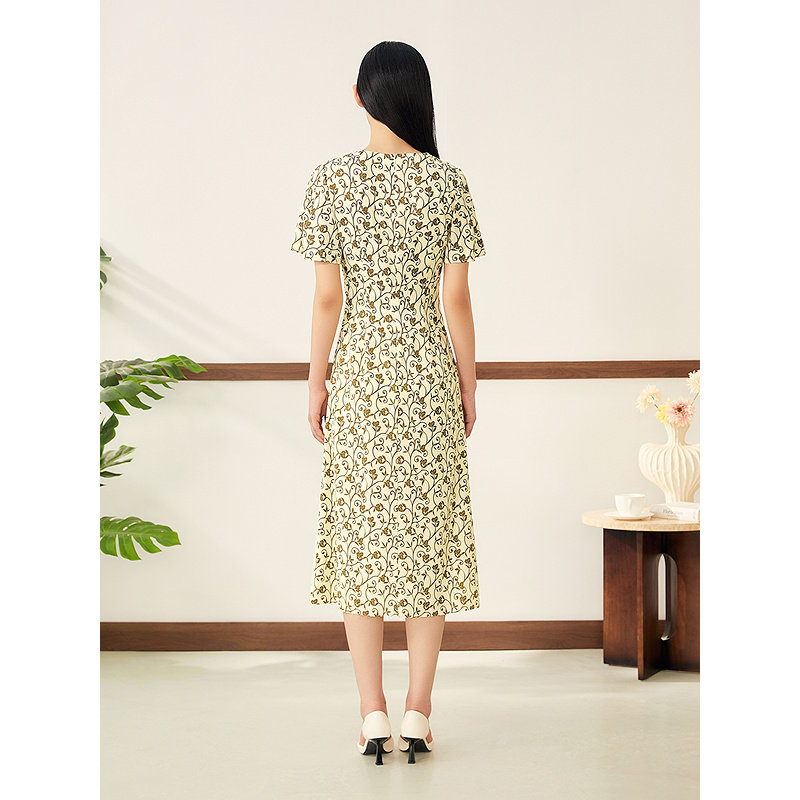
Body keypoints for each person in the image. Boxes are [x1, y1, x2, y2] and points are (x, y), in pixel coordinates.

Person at [290, 40, 486, 765]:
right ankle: (417, 712)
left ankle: (371, 711)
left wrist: (317, 381)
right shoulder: (447, 183)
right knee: (428, 544)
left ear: (359, 96)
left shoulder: (331, 180)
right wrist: (468, 381)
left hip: (362, 383)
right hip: (428, 378)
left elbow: (327, 298)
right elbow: (456, 297)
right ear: (420, 97)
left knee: (361, 543)